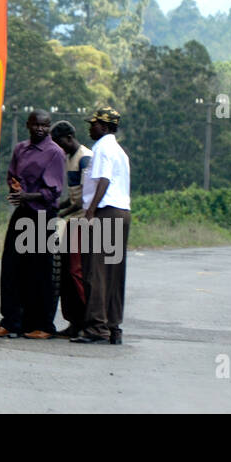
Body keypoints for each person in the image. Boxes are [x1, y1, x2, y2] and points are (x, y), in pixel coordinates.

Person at [0, 109, 65, 340]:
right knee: (11, 269)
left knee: (40, 272)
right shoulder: (20, 148)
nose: (40, 129)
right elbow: (12, 177)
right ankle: (11, 322)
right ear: (28, 125)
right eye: (36, 124)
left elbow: (52, 192)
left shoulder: (55, 153)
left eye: (45, 125)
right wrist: (16, 188)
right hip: (22, 213)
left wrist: (26, 196)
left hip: (42, 217)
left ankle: (42, 325)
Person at [72, 105, 131, 345]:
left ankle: (96, 328)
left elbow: (104, 180)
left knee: (95, 272)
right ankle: (113, 326)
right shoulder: (119, 150)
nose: (90, 127)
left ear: (104, 126)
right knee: (113, 274)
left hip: (106, 213)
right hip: (121, 213)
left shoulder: (103, 148)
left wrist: (91, 211)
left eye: (94, 123)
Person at [50, 120, 92, 339]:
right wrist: (56, 207)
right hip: (73, 219)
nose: (59, 148)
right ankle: (73, 321)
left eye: (59, 143)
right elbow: (72, 197)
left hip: (82, 220)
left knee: (76, 272)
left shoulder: (85, 158)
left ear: (69, 138)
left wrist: (60, 214)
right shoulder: (68, 158)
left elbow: (84, 199)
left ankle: (87, 320)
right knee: (66, 273)